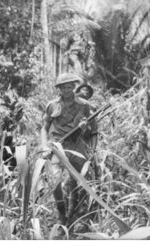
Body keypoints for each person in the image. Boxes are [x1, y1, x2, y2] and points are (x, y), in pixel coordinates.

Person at [41, 73, 98, 226]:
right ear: (59, 89)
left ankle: (75, 212)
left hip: (77, 144)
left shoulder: (84, 105)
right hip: (58, 146)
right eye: (63, 87)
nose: (67, 90)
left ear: (74, 86)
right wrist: (44, 145)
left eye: (69, 86)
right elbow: (44, 128)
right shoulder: (52, 105)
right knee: (54, 179)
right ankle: (61, 210)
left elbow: (92, 131)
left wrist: (85, 132)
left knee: (81, 180)